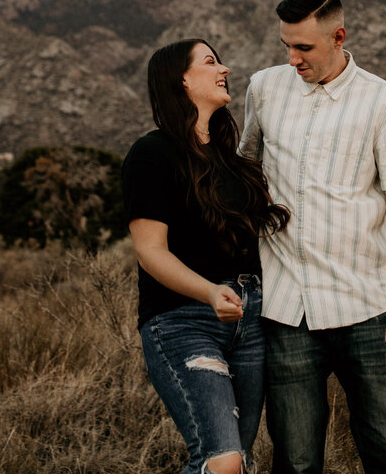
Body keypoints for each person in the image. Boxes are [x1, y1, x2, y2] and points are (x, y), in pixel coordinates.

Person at [239, 0, 386, 474]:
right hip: (286, 310)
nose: (293, 58)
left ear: (339, 36)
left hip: (367, 307)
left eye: (304, 47)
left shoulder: (384, 101)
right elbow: (244, 171)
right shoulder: (263, 87)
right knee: (296, 462)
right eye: (286, 46)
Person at [124, 38, 290, 474]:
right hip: (184, 320)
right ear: (182, 79)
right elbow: (150, 252)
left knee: (240, 461)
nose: (225, 70)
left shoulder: (229, 160)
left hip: (249, 322)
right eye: (211, 62)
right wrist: (210, 293)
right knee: (223, 461)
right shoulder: (151, 154)